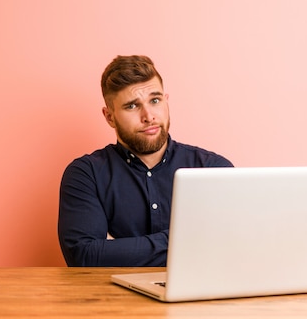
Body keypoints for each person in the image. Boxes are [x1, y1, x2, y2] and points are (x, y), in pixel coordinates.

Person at [58, 55, 233, 267]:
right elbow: (84, 256)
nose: (148, 116)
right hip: (115, 299)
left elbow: (231, 247)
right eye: (132, 106)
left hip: (199, 299)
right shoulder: (86, 174)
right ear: (109, 117)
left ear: (166, 100)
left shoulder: (213, 169)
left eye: (155, 100)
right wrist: (188, 239)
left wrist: (116, 247)